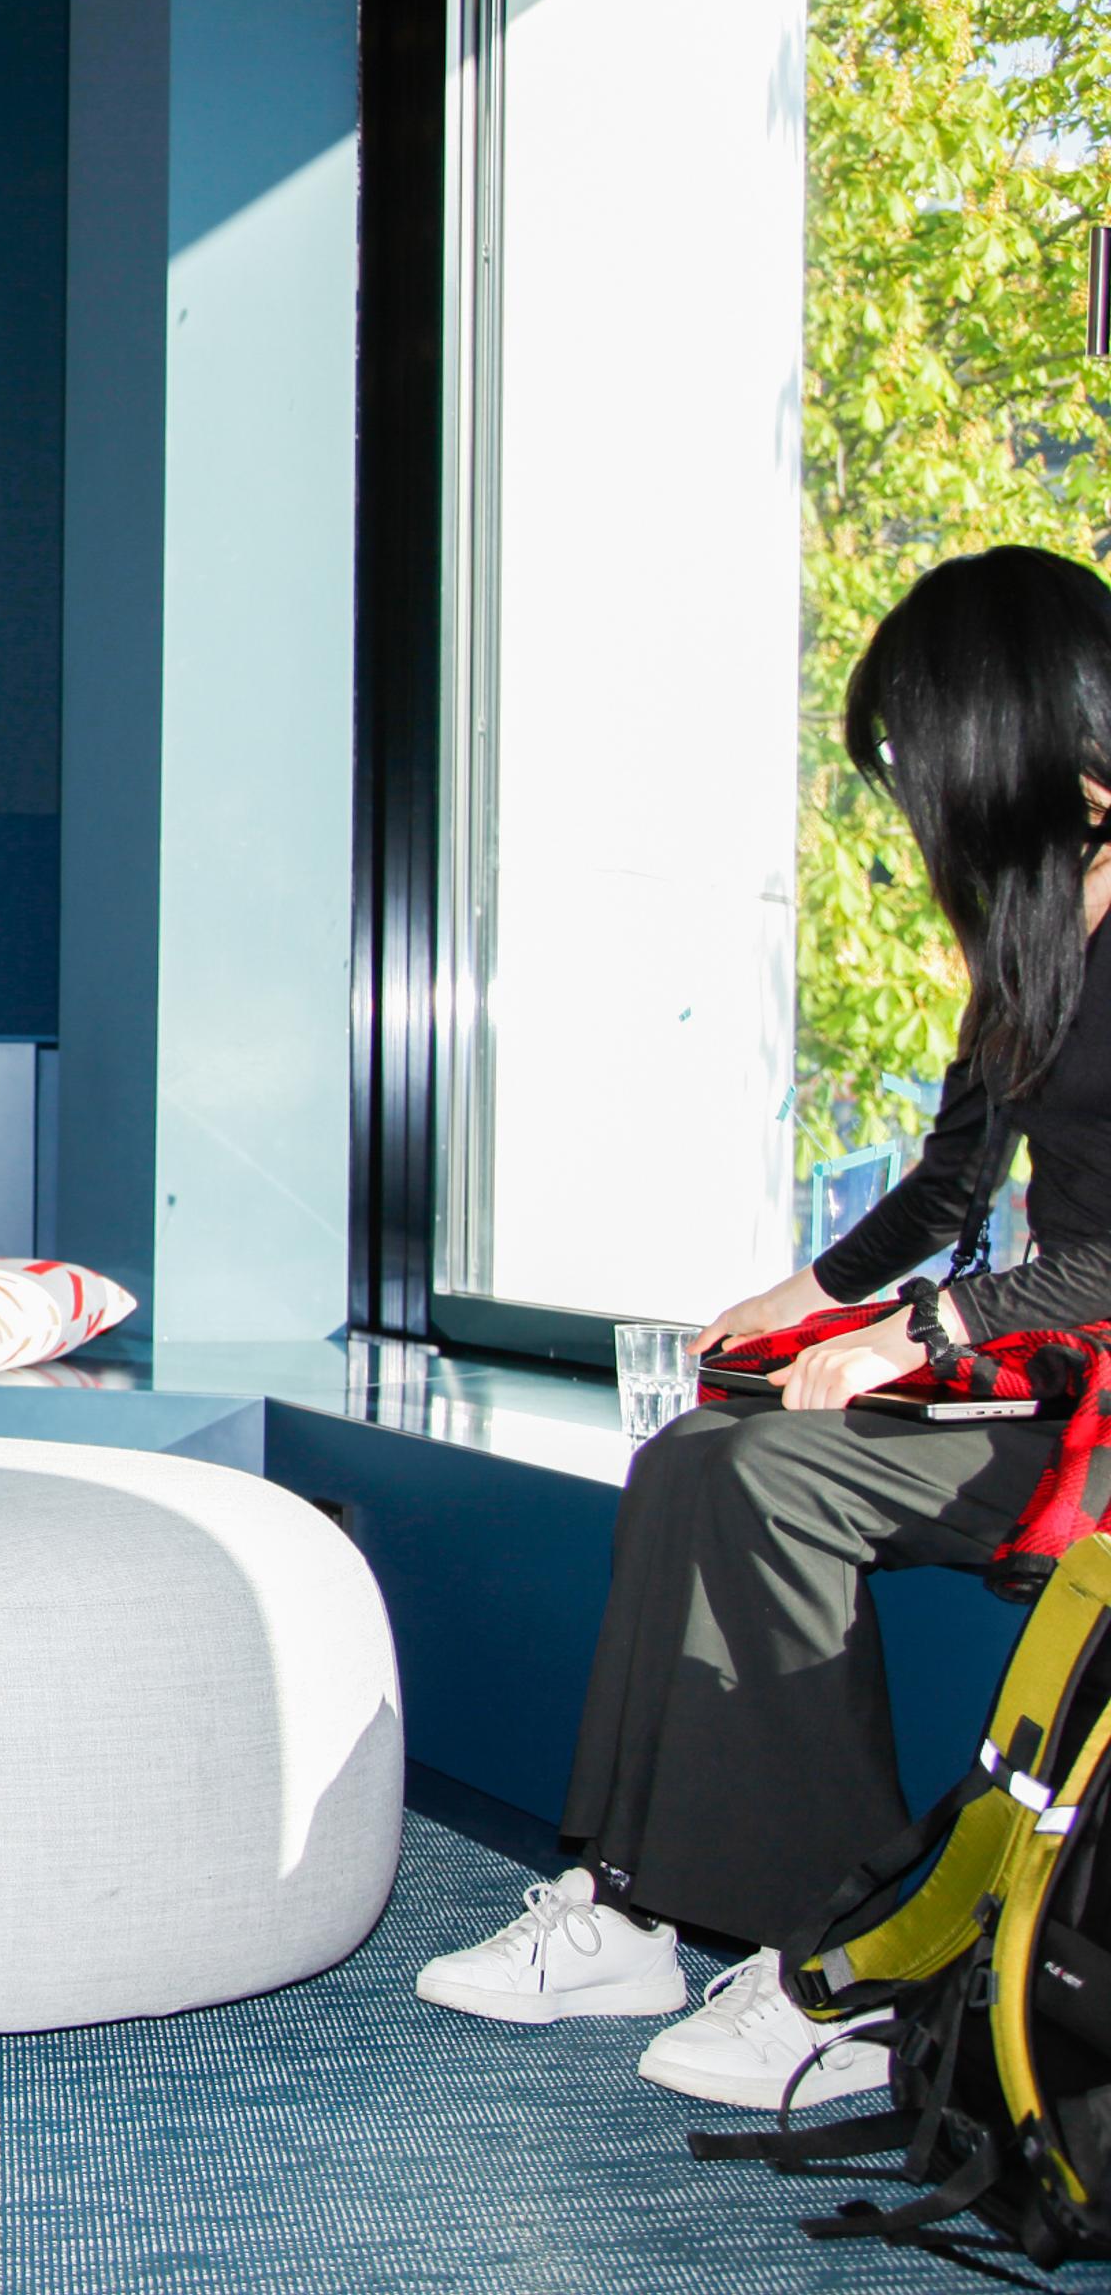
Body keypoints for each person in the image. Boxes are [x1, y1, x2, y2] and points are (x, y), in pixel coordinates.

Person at [415, 545, 1111, 2112]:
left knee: (767, 1481)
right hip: (1059, 1378)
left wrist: (925, 1330)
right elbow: (947, 1184)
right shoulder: (1041, 925)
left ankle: (838, 1966)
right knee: (702, 1452)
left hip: (1089, 1409)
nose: (915, 809)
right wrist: (813, 1300)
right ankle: (640, 1907)